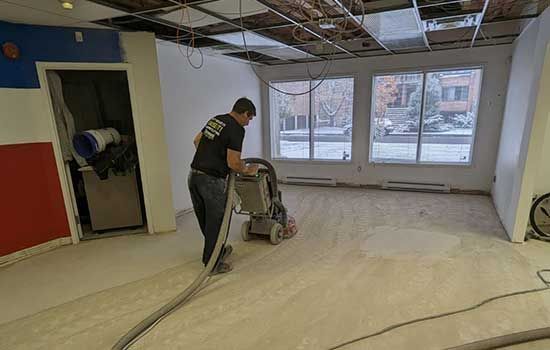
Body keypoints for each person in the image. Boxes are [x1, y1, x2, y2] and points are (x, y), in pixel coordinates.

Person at [188, 97, 259, 274]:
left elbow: (196, 141)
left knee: (206, 220)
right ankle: (213, 264)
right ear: (244, 113)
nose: (248, 123)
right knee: (217, 222)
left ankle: (215, 252)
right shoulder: (236, 129)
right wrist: (248, 170)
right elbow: (234, 163)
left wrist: (210, 158)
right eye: (249, 118)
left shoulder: (216, 120)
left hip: (193, 176)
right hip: (211, 181)